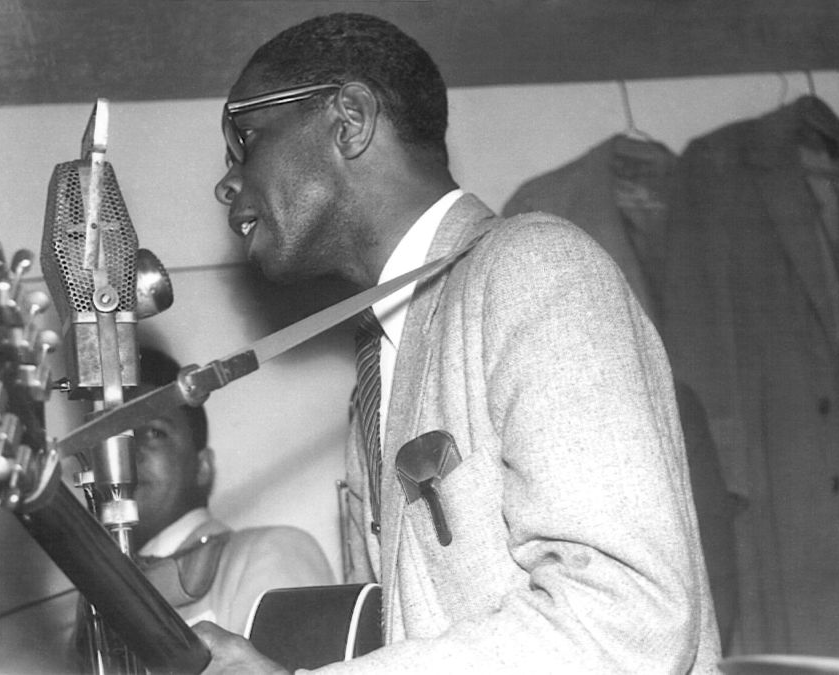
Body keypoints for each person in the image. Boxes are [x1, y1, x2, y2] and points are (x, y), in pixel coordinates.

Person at [197, 12, 720, 672]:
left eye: (245, 138)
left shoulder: (536, 267)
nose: (226, 181)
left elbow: (625, 620)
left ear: (349, 120)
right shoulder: (379, 368)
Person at [126, 346, 334, 633]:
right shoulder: (105, 601)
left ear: (203, 468)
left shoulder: (271, 552)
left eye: (155, 433)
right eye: (115, 437)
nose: (128, 452)